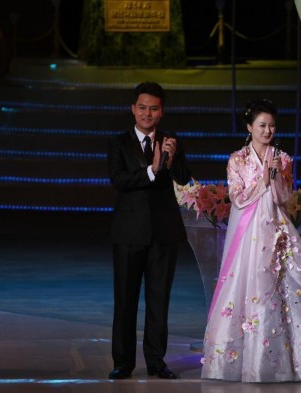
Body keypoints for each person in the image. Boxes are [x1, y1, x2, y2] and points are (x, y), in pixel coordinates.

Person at [200, 98, 301, 382]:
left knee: (288, 283)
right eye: (262, 125)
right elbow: (237, 197)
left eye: (271, 125)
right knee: (250, 284)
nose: (267, 130)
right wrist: (263, 182)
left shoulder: (283, 159)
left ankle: (288, 360)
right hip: (249, 232)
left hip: (278, 228)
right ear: (249, 127)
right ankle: (243, 360)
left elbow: (285, 198)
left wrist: (277, 180)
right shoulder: (238, 159)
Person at [107, 82, 191, 380]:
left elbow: (184, 178)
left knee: (159, 300)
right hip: (129, 234)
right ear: (133, 109)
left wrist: (171, 158)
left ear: (162, 111)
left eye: (153, 108)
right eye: (142, 107)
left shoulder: (171, 140)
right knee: (125, 301)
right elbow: (120, 180)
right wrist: (152, 169)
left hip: (163, 234)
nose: (147, 113)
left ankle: (156, 361)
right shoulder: (119, 143)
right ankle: (123, 363)